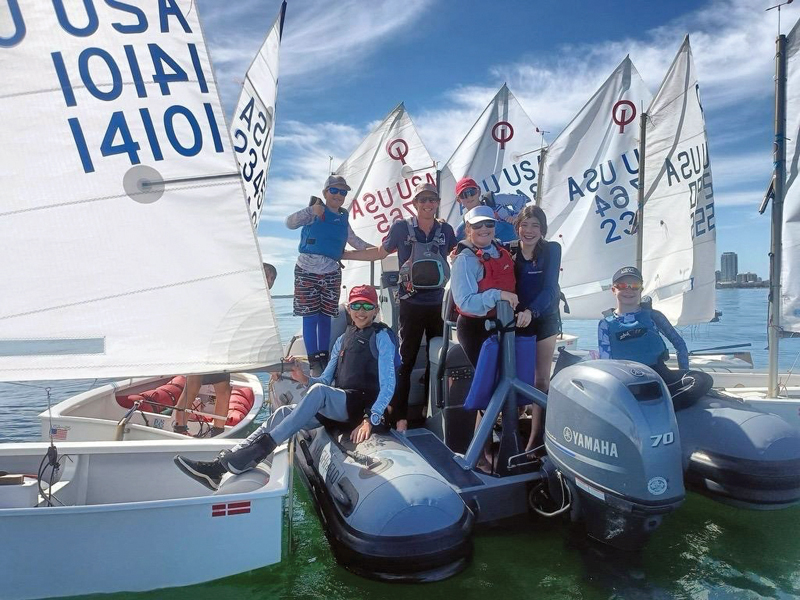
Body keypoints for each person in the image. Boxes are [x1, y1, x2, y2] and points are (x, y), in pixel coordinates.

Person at [174, 285, 397, 491]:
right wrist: (303, 378)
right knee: (282, 412)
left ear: (376, 309)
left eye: (367, 306)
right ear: (349, 309)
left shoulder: (381, 337)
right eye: (356, 305)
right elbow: (325, 381)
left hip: (362, 408)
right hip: (342, 404)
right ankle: (221, 464)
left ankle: (246, 458)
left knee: (319, 394)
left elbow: (389, 383)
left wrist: (371, 418)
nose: (361, 311)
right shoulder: (342, 339)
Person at [342, 182, 457, 430]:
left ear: (437, 202)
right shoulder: (400, 228)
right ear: (414, 204)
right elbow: (380, 253)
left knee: (438, 359)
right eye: (423, 200)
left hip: (439, 303)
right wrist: (346, 255)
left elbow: (459, 254)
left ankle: (433, 411)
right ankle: (400, 416)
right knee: (405, 360)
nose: (428, 204)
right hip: (410, 304)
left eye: (432, 200)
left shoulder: (446, 230)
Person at [172, 263, 279, 437]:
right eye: (267, 275)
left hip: (220, 347)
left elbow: (254, 332)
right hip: (203, 340)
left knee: (223, 389)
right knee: (193, 384)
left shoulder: (257, 300)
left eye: (273, 278)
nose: (270, 281)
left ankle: (218, 430)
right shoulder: (240, 293)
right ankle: (179, 427)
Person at [286, 175, 371, 375]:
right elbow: (289, 223)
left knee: (325, 318)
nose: (338, 195)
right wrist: (310, 211)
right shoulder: (315, 211)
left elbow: (355, 241)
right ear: (325, 193)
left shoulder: (343, 217)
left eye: (343, 192)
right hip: (307, 270)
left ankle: (323, 357)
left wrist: (380, 249)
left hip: (331, 273)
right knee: (310, 317)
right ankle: (314, 361)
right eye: (334, 190)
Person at [598, 266, 713, 409]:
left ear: (641, 289)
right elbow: (605, 362)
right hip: (627, 383)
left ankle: (667, 408)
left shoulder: (654, 316)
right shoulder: (605, 324)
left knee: (702, 380)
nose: (629, 290)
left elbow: (679, 344)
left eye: (634, 286)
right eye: (622, 286)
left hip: (658, 377)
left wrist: (684, 370)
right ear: (613, 290)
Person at [508, 205, 561, 451]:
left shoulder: (551, 250)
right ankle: (513, 429)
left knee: (540, 380)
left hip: (544, 316)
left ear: (543, 229)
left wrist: (533, 311)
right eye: (525, 225)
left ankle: (536, 439)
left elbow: (551, 289)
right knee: (515, 378)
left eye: (535, 225)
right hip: (517, 319)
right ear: (517, 226)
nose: (529, 231)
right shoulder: (507, 250)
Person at [450, 205, 519, 368]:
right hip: (475, 329)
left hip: (504, 324)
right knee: (488, 382)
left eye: (489, 224)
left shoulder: (501, 250)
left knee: (508, 375)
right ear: (468, 228)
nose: (484, 229)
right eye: (477, 225)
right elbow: (465, 303)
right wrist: (498, 295)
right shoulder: (464, 260)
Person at [452, 177, 515, 242]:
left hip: (515, 248)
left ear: (479, 192)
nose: (469, 197)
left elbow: (522, 217)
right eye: (464, 195)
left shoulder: (495, 206)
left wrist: (516, 218)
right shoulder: (461, 229)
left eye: (472, 192)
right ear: (458, 200)